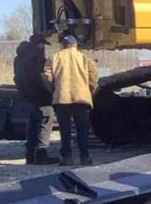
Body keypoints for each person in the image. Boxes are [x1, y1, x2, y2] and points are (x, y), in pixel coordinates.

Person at [45, 34, 97, 166]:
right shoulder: (84, 58)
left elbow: (47, 76)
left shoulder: (54, 58)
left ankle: (67, 157)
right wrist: (89, 90)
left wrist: (54, 89)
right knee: (82, 128)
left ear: (63, 44)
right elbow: (93, 78)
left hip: (62, 99)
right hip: (81, 98)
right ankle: (84, 157)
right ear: (75, 44)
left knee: (65, 129)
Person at [12, 32, 54, 164]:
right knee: (46, 122)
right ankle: (41, 154)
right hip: (40, 95)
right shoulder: (36, 57)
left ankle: (30, 156)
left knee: (32, 125)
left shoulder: (19, 58)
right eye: (43, 44)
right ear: (39, 44)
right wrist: (48, 90)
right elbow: (39, 77)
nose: (44, 47)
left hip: (26, 95)